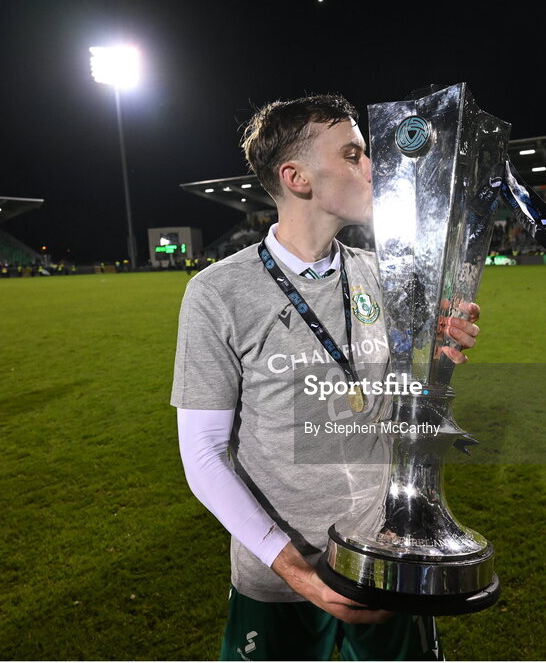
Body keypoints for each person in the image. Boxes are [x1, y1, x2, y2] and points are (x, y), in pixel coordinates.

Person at [171, 95, 482, 661]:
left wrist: (439, 359)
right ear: (297, 178)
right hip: (277, 580)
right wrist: (298, 573)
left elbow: (394, 398)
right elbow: (203, 454)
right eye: (354, 154)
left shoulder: (382, 276)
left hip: (386, 559)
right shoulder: (217, 294)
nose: (373, 167)